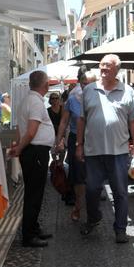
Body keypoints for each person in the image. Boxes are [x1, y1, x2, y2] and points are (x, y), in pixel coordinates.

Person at [76, 54, 134, 243]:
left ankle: (120, 229)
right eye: (101, 65)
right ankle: (94, 217)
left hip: (118, 151)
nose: (103, 69)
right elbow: (81, 120)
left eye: (107, 66)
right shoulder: (88, 90)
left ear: (116, 70)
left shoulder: (127, 91)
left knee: (120, 192)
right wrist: (79, 145)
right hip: (93, 150)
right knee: (92, 189)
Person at [9, 71, 54, 248]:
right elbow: (31, 131)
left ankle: (33, 228)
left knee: (34, 192)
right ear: (45, 86)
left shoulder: (28, 100)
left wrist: (19, 146)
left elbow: (23, 130)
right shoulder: (35, 102)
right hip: (35, 152)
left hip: (33, 151)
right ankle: (28, 235)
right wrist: (19, 148)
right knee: (34, 194)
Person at [56, 68, 99, 220]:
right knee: (79, 177)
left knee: (94, 176)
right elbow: (63, 122)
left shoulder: (101, 99)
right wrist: (58, 140)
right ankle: (78, 206)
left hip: (95, 139)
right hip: (76, 139)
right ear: (79, 84)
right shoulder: (72, 100)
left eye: (89, 84)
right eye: (83, 83)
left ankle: (91, 207)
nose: (86, 87)